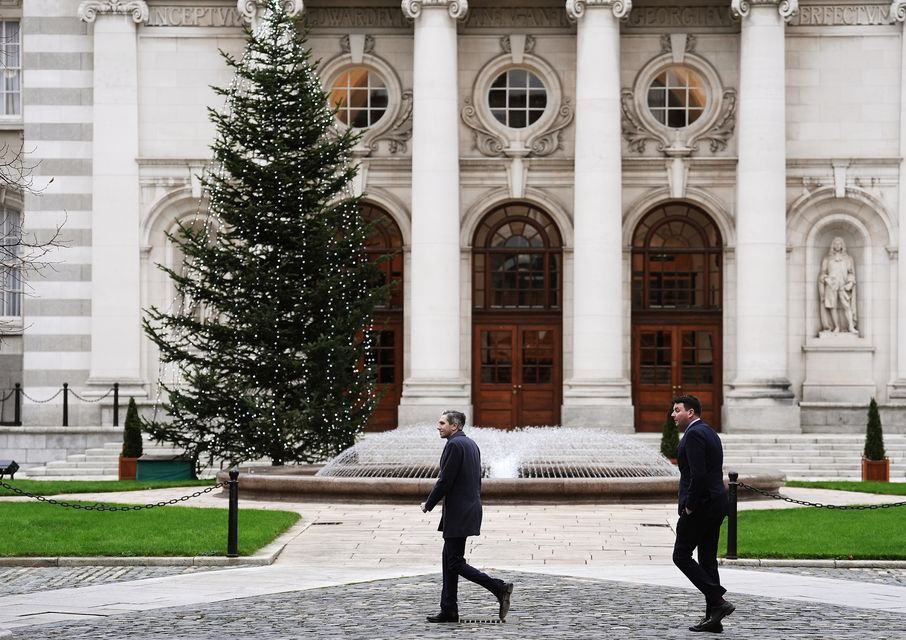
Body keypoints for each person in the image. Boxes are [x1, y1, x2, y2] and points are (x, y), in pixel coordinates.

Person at [420, 410, 514, 623]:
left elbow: (445, 481)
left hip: (459, 512)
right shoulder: (471, 444)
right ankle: (449, 610)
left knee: (454, 561)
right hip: (467, 509)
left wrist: (429, 504)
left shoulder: (454, 445)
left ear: (455, 426)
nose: (438, 426)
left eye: (442, 423)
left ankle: (499, 588)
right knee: (448, 561)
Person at [671, 395, 734, 633]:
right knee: (707, 560)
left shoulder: (695, 434)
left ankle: (718, 600)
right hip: (715, 505)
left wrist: (689, 505)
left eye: (676, 410)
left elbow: (697, 475)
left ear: (691, 413)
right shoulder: (709, 431)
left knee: (681, 555)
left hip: (701, 507)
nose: (673, 415)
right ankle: (714, 618)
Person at [818, 236, 858, 334]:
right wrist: (826, 278)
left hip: (843, 285)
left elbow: (851, 273)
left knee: (847, 306)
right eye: (835, 243)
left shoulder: (848, 258)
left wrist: (850, 282)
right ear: (833, 245)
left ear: (842, 245)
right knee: (833, 306)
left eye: (839, 243)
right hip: (831, 285)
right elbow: (823, 273)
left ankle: (851, 326)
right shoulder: (827, 258)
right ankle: (836, 327)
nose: (837, 245)